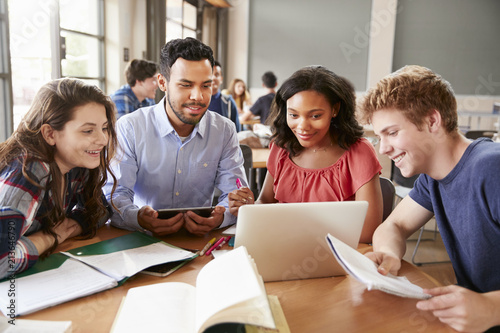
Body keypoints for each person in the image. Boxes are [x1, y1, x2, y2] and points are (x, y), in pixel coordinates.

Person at [359, 65, 500, 333]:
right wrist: (389, 255)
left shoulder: (492, 169)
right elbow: (393, 226)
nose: (384, 148)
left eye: (392, 132)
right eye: (379, 137)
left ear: (432, 121)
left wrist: (492, 308)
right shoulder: (432, 179)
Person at [104, 37, 247, 237]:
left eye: (206, 85)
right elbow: (114, 195)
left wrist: (221, 217)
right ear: (162, 82)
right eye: (186, 85)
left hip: (199, 242)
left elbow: (235, 196)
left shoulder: (224, 130)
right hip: (140, 239)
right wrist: (137, 217)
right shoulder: (130, 128)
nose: (198, 96)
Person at [229, 66, 383, 243]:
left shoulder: (359, 152)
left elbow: (367, 230)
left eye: (315, 116)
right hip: (283, 248)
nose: (302, 126)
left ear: (335, 109)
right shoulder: (281, 147)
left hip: (336, 254)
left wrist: (295, 232)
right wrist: (249, 208)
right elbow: (265, 202)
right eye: (293, 115)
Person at [0, 78, 117, 279]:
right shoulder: (28, 170)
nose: (103, 139)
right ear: (50, 134)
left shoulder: (76, 164)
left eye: (104, 128)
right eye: (88, 131)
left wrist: (69, 227)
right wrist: (52, 236)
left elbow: (100, 210)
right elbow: (3, 260)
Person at [208, 61, 241, 132]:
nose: (213, 78)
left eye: (217, 74)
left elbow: (237, 130)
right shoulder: (198, 100)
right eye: (210, 74)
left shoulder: (228, 102)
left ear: (221, 79)